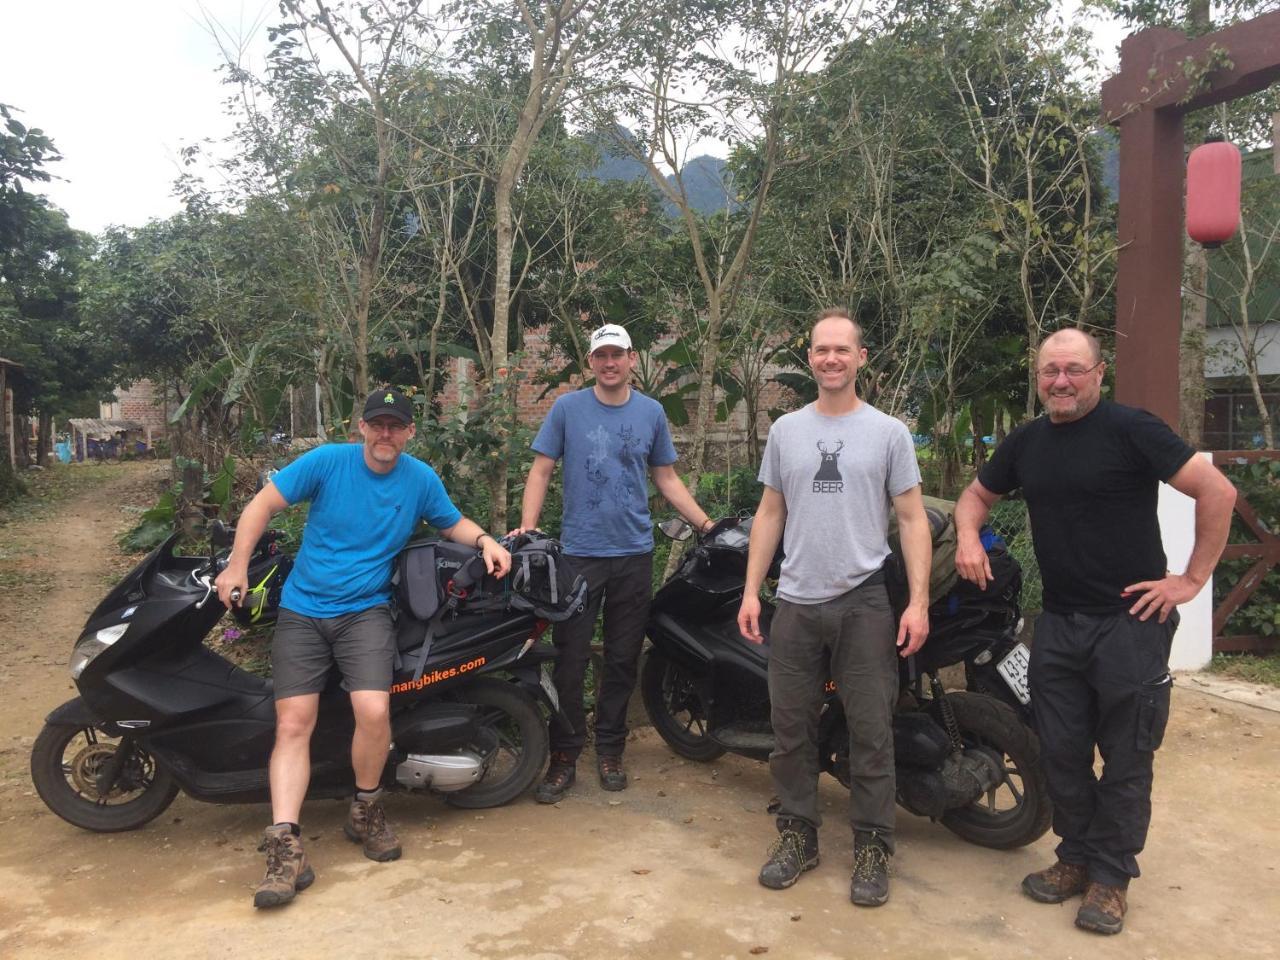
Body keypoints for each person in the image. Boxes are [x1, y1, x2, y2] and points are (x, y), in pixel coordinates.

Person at [953, 328, 1236, 936]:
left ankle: (1111, 877)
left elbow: (1217, 489)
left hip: (1131, 626)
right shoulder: (1027, 442)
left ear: (1098, 373)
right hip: (1056, 624)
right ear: (1039, 378)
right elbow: (975, 496)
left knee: (1128, 755)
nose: (1061, 381)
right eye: (1050, 371)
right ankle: (1074, 857)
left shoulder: (1133, 430)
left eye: (1073, 370)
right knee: (1060, 750)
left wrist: (1189, 580)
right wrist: (969, 536)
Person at [214, 388, 512, 910]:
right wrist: (237, 565)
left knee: (373, 710)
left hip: (366, 612)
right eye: (377, 424)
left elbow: (451, 522)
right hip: (304, 609)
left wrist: (486, 540)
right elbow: (262, 502)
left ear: (409, 432)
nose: (385, 434)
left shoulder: (419, 478)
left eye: (396, 426)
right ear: (361, 427)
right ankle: (285, 845)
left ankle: (366, 809)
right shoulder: (328, 462)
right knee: (292, 723)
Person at [736, 308, 931, 907]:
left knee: (872, 729)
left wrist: (917, 602)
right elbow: (771, 513)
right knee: (791, 730)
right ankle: (798, 835)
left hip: (864, 599)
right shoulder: (788, 431)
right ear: (810, 359)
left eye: (841, 350)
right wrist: (751, 590)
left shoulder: (889, 433)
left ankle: (873, 845)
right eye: (821, 350)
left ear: (860, 358)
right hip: (794, 602)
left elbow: (912, 517)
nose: (830, 359)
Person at [513, 323, 714, 802]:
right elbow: (541, 469)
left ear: (631, 359)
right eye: (600, 355)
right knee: (570, 659)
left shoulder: (651, 413)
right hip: (580, 555)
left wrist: (706, 525)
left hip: (633, 555)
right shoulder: (567, 409)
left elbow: (665, 478)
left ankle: (609, 749)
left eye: (617, 354)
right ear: (591, 362)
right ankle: (564, 755)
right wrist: (528, 526)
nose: (609, 363)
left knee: (623, 659)